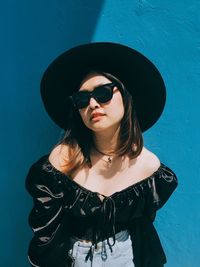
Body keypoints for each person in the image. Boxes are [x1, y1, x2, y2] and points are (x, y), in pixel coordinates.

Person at [25, 42, 178, 267]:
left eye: (103, 93)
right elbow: (47, 234)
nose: (93, 104)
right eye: (82, 99)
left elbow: (143, 227)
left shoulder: (150, 168)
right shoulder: (62, 161)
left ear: (126, 96)